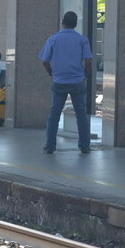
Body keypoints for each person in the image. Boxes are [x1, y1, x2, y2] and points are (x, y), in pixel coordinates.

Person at [40, 11, 93, 154]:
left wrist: (51, 73)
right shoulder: (82, 40)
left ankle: (50, 146)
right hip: (77, 81)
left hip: (59, 81)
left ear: (63, 22)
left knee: (54, 114)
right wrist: (85, 74)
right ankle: (85, 146)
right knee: (81, 114)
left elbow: (45, 61)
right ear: (76, 24)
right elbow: (88, 61)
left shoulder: (53, 39)